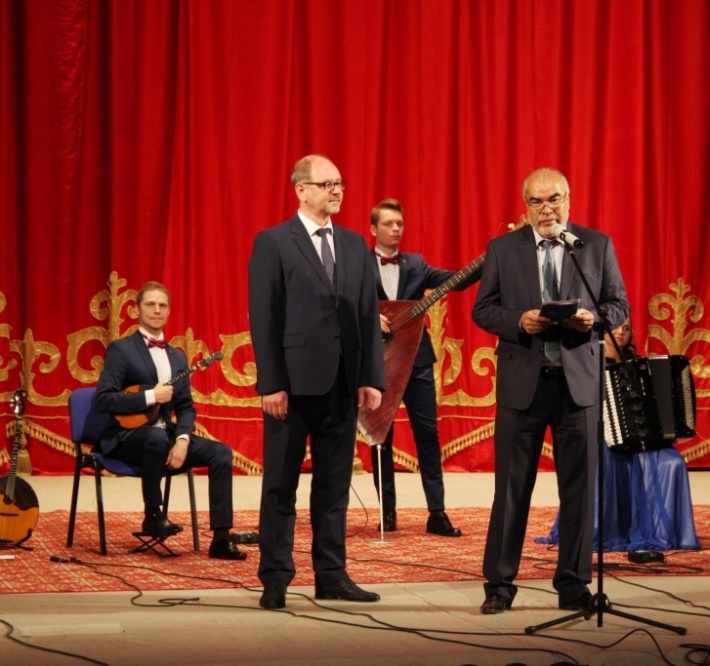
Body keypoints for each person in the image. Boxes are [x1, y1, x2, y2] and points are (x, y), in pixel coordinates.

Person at [472, 167, 629, 615]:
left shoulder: (595, 245)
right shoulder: (503, 249)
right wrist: (517, 322)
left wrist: (593, 320)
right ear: (525, 206)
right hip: (523, 384)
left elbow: (618, 304)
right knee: (510, 491)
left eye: (554, 199)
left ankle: (574, 585)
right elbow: (483, 309)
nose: (547, 209)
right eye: (537, 202)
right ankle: (499, 585)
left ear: (568, 201)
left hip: (578, 385)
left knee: (578, 491)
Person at [248, 154, 385, 610]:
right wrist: (271, 383)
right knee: (280, 486)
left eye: (340, 183)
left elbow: (367, 315)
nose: (337, 190)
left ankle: (332, 574)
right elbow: (264, 317)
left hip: (342, 384)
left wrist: (370, 377)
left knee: (333, 486)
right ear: (301, 190)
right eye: (327, 184)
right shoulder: (274, 242)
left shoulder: (354, 244)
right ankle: (275, 577)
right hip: (290, 386)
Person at [94, 281, 245, 560]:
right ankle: (153, 515)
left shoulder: (177, 356)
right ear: (138, 309)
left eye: (162, 305)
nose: (156, 310)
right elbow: (103, 400)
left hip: (166, 436)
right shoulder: (121, 350)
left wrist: (183, 440)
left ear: (168, 311)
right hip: (126, 437)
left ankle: (221, 538)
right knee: (155, 438)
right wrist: (151, 396)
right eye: (150, 304)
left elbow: (185, 407)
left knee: (221, 452)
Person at [538, 317, 701, 555]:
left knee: (673, 462)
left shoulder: (637, 364)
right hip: (602, 437)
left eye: (626, 328)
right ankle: (605, 529)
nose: (621, 332)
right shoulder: (587, 362)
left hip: (641, 441)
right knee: (602, 460)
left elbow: (653, 408)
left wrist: (667, 428)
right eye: (616, 326)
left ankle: (664, 532)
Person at [367, 198, 479, 537]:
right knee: (380, 438)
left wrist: (493, 257)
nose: (396, 229)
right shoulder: (358, 265)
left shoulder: (416, 264)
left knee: (428, 436)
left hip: (417, 361)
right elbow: (342, 301)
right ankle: (387, 513)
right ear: (373, 229)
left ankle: (437, 513)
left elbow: (457, 280)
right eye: (388, 224)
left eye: (399, 224)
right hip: (377, 363)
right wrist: (370, 316)